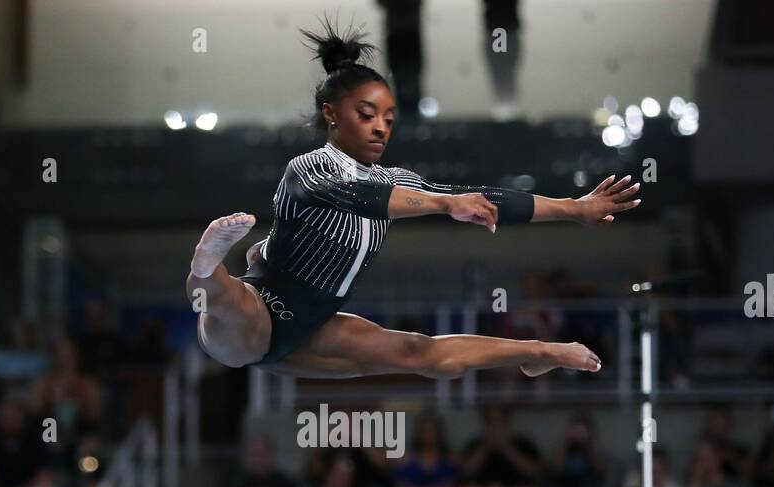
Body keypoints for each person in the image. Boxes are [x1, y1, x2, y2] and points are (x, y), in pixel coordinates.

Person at [185, 19, 637, 378]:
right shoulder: (307, 167)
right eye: (366, 115)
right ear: (331, 115)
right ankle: (208, 268)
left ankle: (540, 352)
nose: (381, 127)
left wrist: (575, 210)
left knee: (421, 353)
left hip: (311, 329)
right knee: (233, 314)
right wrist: (444, 205)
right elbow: (359, 197)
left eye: (388, 117)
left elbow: (487, 198)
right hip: (262, 306)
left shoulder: (396, 180)